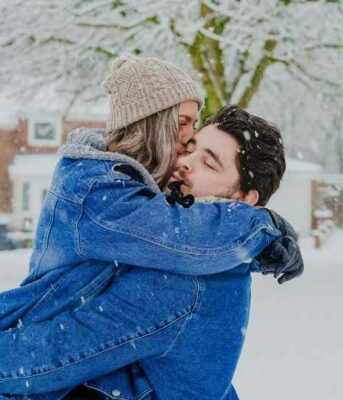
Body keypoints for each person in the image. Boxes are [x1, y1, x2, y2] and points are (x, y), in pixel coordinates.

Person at [0, 58, 303, 399]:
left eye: (208, 162)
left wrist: (261, 226)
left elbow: (58, 352)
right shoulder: (182, 246)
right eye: (189, 144)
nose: (185, 158)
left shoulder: (186, 276)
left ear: (244, 199)